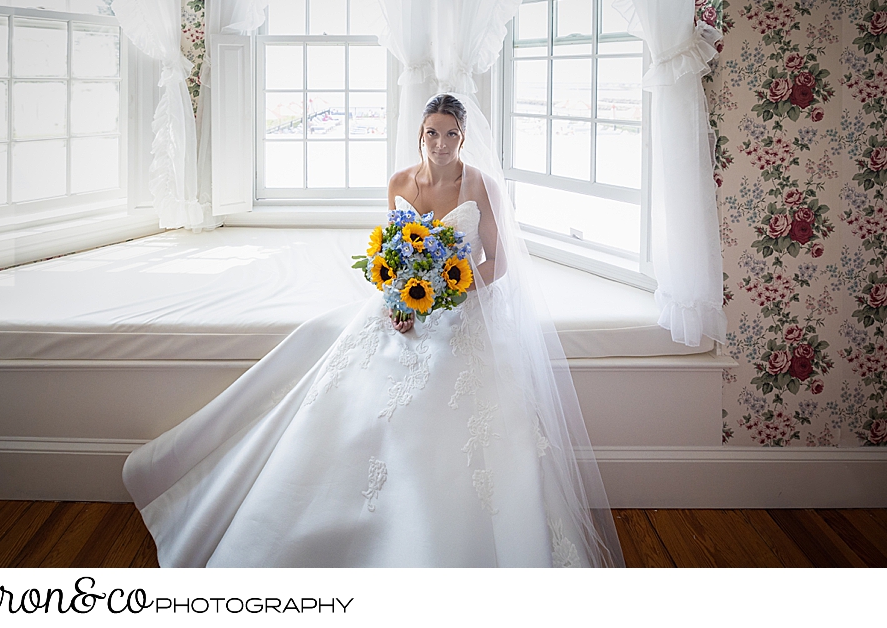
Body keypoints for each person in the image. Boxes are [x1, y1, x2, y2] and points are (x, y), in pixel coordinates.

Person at [122, 94, 624, 567]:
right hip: (404, 309)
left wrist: (455, 287)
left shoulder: (481, 187)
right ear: (420, 134)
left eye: (451, 134)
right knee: (334, 367)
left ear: (463, 137)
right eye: (433, 133)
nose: (442, 143)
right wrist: (398, 300)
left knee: (446, 378)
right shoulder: (400, 182)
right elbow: (391, 252)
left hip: (459, 309)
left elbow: (500, 261)